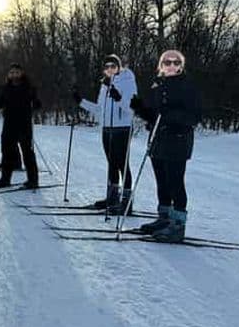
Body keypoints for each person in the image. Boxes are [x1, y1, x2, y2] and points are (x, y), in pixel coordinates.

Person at [130, 50, 202, 242]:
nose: (171, 65)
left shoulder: (186, 86)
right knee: (162, 182)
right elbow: (154, 115)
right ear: (161, 65)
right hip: (158, 141)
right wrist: (140, 109)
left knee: (175, 182)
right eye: (167, 62)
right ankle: (164, 217)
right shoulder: (158, 85)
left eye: (175, 62)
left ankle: (178, 224)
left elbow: (193, 116)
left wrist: (170, 116)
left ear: (181, 65)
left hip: (177, 140)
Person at [73, 54, 137, 213]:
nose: (110, 69)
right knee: (112, 164)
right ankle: (112, 198)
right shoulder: (104, 84)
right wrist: (80, 101)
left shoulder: (128, 81)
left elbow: (131, 108)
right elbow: (99, 109)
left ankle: (127, 203)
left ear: (119, 67)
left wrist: (118, 98)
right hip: (107, 128)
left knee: (123, 164)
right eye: (107, 67)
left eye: (113, 66)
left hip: (122, 128)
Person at [0, 63, 41, 189]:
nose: (14, 75)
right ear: (8, 75)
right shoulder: (6, 89)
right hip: (9, 124)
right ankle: (5, 179)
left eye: (17, 72)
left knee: (27, 153)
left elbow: (37, 103)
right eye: (12, 73)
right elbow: (0, 103)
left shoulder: (28, 88)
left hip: (24, 125)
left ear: (22, 73)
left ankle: (33, 181)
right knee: (7, 152)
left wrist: (36, 104)